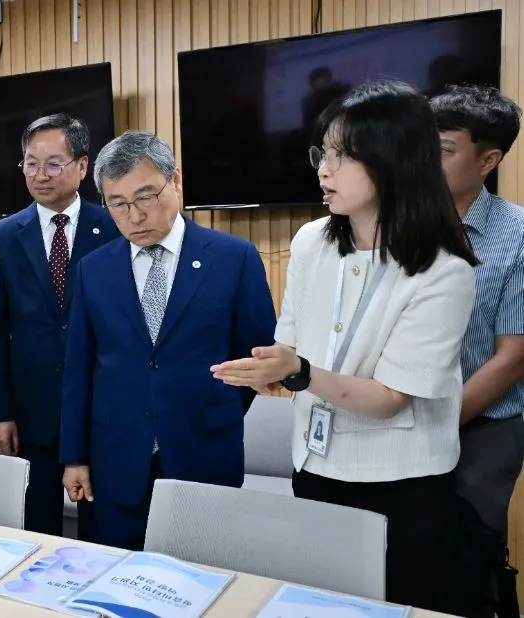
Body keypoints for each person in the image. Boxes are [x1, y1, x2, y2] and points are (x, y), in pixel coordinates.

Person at [211, 80, 478, 614]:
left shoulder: (444, 271)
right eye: (322, 153)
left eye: (342, 156)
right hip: (314, 465)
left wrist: (301, 372)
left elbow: (388, 398)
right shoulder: (313, 240)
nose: (323, 170)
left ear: (394, 160)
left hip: (400, 483)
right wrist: (269, 368)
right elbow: (289, 339)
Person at [59, 130, 278, 551]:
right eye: (117, 204)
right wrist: (75, 455)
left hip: (204, 453)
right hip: (115, 457)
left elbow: (254, 360)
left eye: (145, 197)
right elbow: (79, 369)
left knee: (206, 584)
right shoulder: (93, 269)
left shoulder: (234, 258)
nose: (134, 216)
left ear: (175, 182)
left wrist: (210, 407)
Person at [0, 113, 120, 537]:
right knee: (35, 527)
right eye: (31, 163)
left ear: (82, 166)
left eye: (54, 163)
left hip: (100, 407)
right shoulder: (1, 237)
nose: (40, 174)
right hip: (30, 412)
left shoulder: (114, 227)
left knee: (101, 526)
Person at [431, 85, 524, 542]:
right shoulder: (394, 224)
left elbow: (513, 357)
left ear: (488, 161)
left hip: (482, 430)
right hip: (395, 420)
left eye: (444, 150)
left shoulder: (519, 233)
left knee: (470, 557)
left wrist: (438, 425)